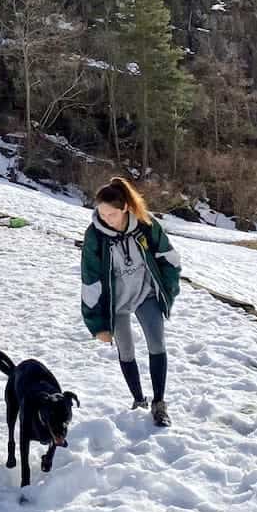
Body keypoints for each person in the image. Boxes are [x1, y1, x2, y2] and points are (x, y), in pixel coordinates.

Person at [80, 177, 182, 426]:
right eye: (101, 213)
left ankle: (159, 403)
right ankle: (139, 400)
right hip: (118, 305)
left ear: (125, 207)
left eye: (112, 214)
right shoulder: (95, 236)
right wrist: (98, 325)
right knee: (126, 351)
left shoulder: (146, 225)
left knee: (157, 345)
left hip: (146, 296)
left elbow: (170, 259)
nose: (106, 219)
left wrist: (167, 291)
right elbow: (90, 281)